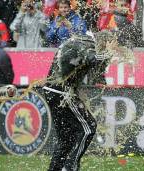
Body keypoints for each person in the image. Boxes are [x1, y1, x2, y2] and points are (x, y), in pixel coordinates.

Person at [43, 31, 121, 171]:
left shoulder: (83, 41)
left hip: (54, 91)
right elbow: (93, 58)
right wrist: (108, 52)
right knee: (89, 127)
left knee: (66, 139)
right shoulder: (87, 43)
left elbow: (97, 75)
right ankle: (70, 166)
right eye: (109, 45)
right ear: (104, 42)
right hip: (61, 92)